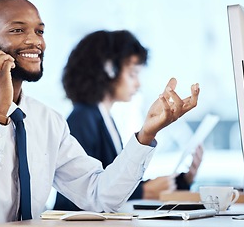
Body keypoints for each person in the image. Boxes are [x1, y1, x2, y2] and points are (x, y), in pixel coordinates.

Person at [0, 0, 200, 227]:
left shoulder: (47, 120)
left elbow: (100, 195)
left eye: (39, 31)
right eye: (18, 30)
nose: (35, 41)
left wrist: (146, 134)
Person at [53, 30, 203, 211]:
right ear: (109, 70)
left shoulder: (104, 117)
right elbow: (81, 194)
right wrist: (143, 192)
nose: (138, 84)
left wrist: (182, 181)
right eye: (132, 74)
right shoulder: (83, 119)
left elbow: (114, 180)